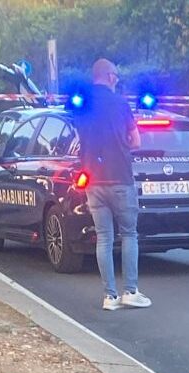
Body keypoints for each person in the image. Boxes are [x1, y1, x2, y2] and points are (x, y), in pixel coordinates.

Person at [69, 59, 152, 311]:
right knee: (128, 234)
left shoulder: (82, 104)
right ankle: (131, 291)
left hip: (93, 180)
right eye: (116, 75)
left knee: (104, 238)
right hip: (120, 177)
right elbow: (136, 141)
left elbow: (78, 137)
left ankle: (110, 296)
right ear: (110, 76)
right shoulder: (120, 103)